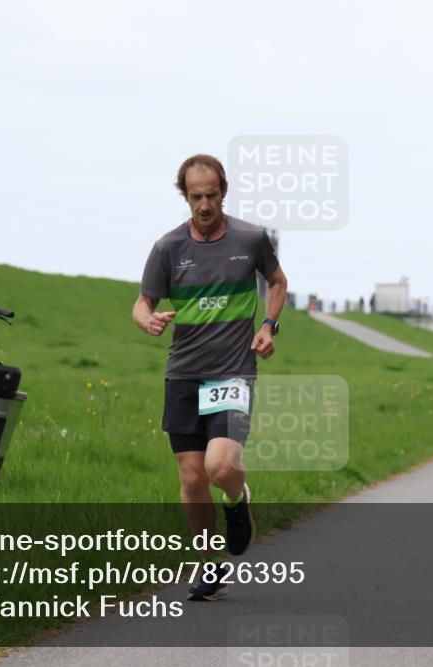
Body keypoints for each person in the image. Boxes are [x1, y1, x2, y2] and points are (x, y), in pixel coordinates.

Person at [133, 154, 287, 601]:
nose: (204, 205)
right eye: (196, 196)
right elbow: (141, 303)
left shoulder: (250, 238)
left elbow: (277, 283)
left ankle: (238, 500)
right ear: (185, 195)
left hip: (233, 370)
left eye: (212, 195)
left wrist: (267, 326)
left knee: (220, 468)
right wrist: (148, 321)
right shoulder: (167, 248)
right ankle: (207, 563)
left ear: (225, 192)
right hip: (183, 373)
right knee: (192, 478)